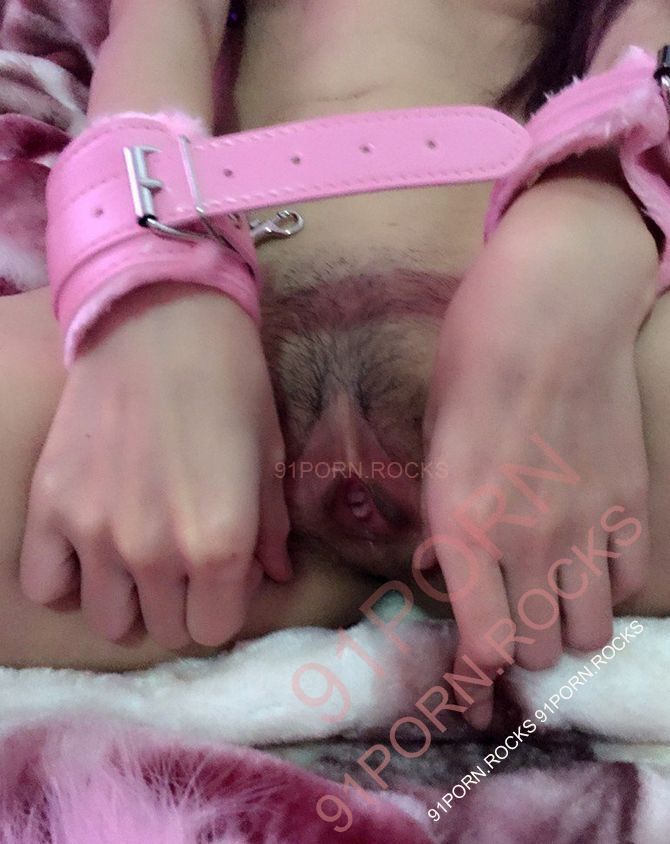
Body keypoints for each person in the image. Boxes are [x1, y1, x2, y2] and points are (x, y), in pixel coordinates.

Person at [2, 0, 670, 725]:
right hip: (221, 374)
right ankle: (449, 594)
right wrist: (154, 276)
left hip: (593, 353)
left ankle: (397, 594)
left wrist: (585, 224)